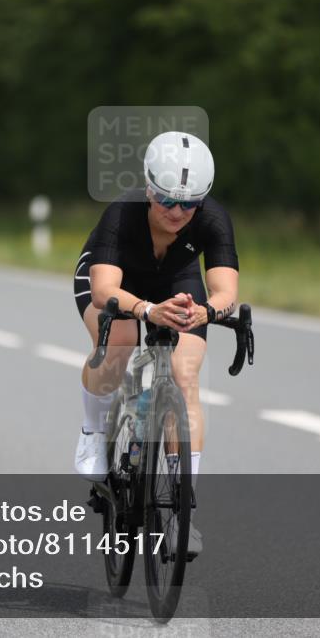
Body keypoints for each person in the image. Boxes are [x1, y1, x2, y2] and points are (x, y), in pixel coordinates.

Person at [72, 131, 240, 556]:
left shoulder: (213, 218)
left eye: (190, 204)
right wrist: (147, 310)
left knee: (184, 376)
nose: (177, 212)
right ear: (149, 188)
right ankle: (93, 430)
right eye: (166, 200)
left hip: (175, 280)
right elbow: (103, 291)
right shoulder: (122, 212)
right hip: (116, 279)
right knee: (121, 342)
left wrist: (207, 312)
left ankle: (181, 512)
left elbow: (225, 291)